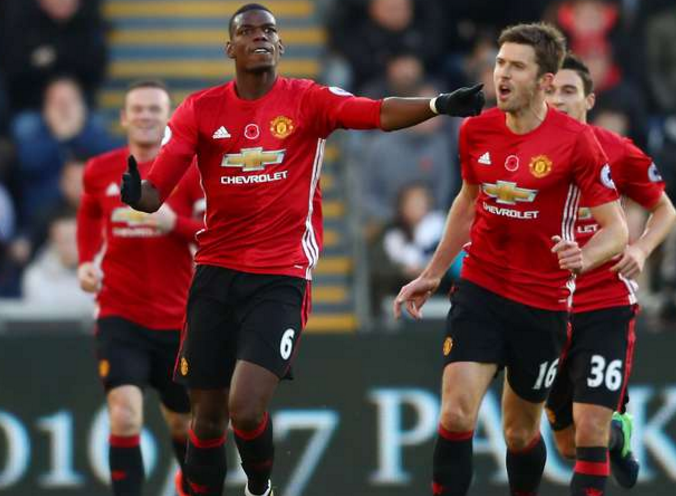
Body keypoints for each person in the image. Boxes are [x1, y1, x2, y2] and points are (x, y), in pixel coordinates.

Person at [119, 4, 484, 496]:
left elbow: (374, 112)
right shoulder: (200, 110)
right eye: (247, 31)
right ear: (229, 48)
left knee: (245, 407)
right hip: (215, 273)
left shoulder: (307, 100)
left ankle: (260, 488)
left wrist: (438, 105)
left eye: (268, 30)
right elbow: (155, 194)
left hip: (281, 276)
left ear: (281, 44)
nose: (259, 37)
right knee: (205, 420)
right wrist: (136, 194)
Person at [393, 22, 628, 496]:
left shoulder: (577, 142)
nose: (501, 74)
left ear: (544, 81)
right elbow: (467, 203)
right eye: (500, 63)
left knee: (520, 433)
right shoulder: (476, 131)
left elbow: (617, 229)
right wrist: (433, 273)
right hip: (480, 289)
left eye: (517, 66)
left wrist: (583, 256)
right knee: (455, 413)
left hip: (542, 303)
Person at [544, 53, 676, 494]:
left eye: (569, 91)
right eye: (551, 90)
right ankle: (619, 436)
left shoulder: (616, 150)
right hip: (543, 306)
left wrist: (640, 248)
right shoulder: (523, 152)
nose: (558, 100)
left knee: (589, 430)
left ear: (589, 100)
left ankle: (607, 430)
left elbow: (664, 210)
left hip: (605, 304)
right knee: (567, 444)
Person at [76, 80, 204, 496]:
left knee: (183, 423)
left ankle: (192, 487)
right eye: (138, 108)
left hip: (178, 320)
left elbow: (214, 234)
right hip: (121, 315)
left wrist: (175, 224)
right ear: (124, 117)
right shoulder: (100, 170)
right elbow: (89, 216)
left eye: (154, 109)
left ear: (167, 118)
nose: (145, 116)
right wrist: (85, 263)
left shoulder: (190, 172)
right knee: (124, 414)